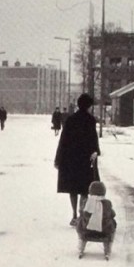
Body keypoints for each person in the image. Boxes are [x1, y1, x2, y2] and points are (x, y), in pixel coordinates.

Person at [54, 93, 101, 226]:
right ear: (88, 106)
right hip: (85, 158)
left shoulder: (70, 119)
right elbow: (93, 138)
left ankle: (74, 214)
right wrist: (95, 151)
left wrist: (58, 158)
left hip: (70, 157)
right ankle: (81, 215)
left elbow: (63, 140)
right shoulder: (90, 120)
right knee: (85, 188)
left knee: (73, 188)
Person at [75, 181, 117, 260]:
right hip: (104, 231)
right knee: (113, 222)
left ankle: (82, 242)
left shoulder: (86, 202)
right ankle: (108, 246)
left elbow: (81, 212)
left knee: (79, 220)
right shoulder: (107, 203)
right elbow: (113, 214)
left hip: (86, 231)